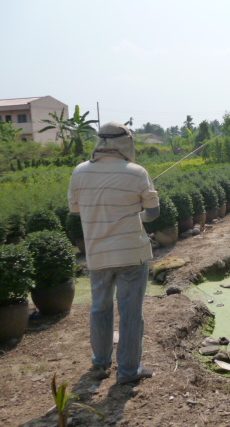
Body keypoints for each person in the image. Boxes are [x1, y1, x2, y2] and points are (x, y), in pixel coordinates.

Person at [68, 121, 160, 384]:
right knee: (131, 311)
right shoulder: (137, 172)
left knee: (99, 308)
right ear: (126, 142)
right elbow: (153, 214)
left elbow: (75, 210)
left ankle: (100, 363)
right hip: (132, 254)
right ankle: (129, 371)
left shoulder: (79, 172)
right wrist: (137, 213)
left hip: (97, 254)